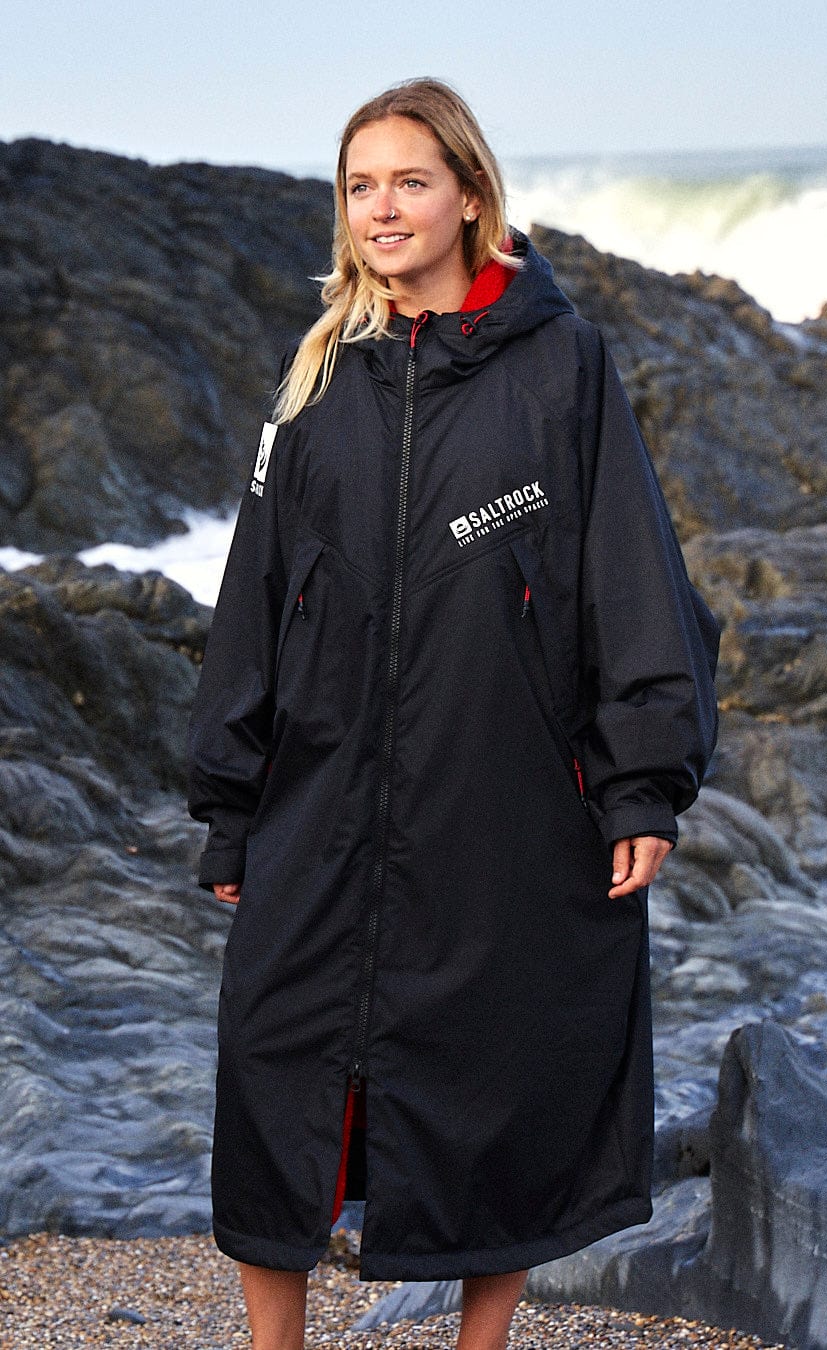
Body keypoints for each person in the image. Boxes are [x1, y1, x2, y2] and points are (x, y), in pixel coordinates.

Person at [187, 77, 720, 1350]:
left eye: (410, 181)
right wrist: (229, 800)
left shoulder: (562, 366)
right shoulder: (316, 378)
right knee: (273, 1069)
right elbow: (255, 595)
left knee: (498, 1078)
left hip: (503, 792)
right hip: (318, 796)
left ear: (470, 197)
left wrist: (641, 780)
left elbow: (629, 572)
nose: (382, 207)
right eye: (360, 185)